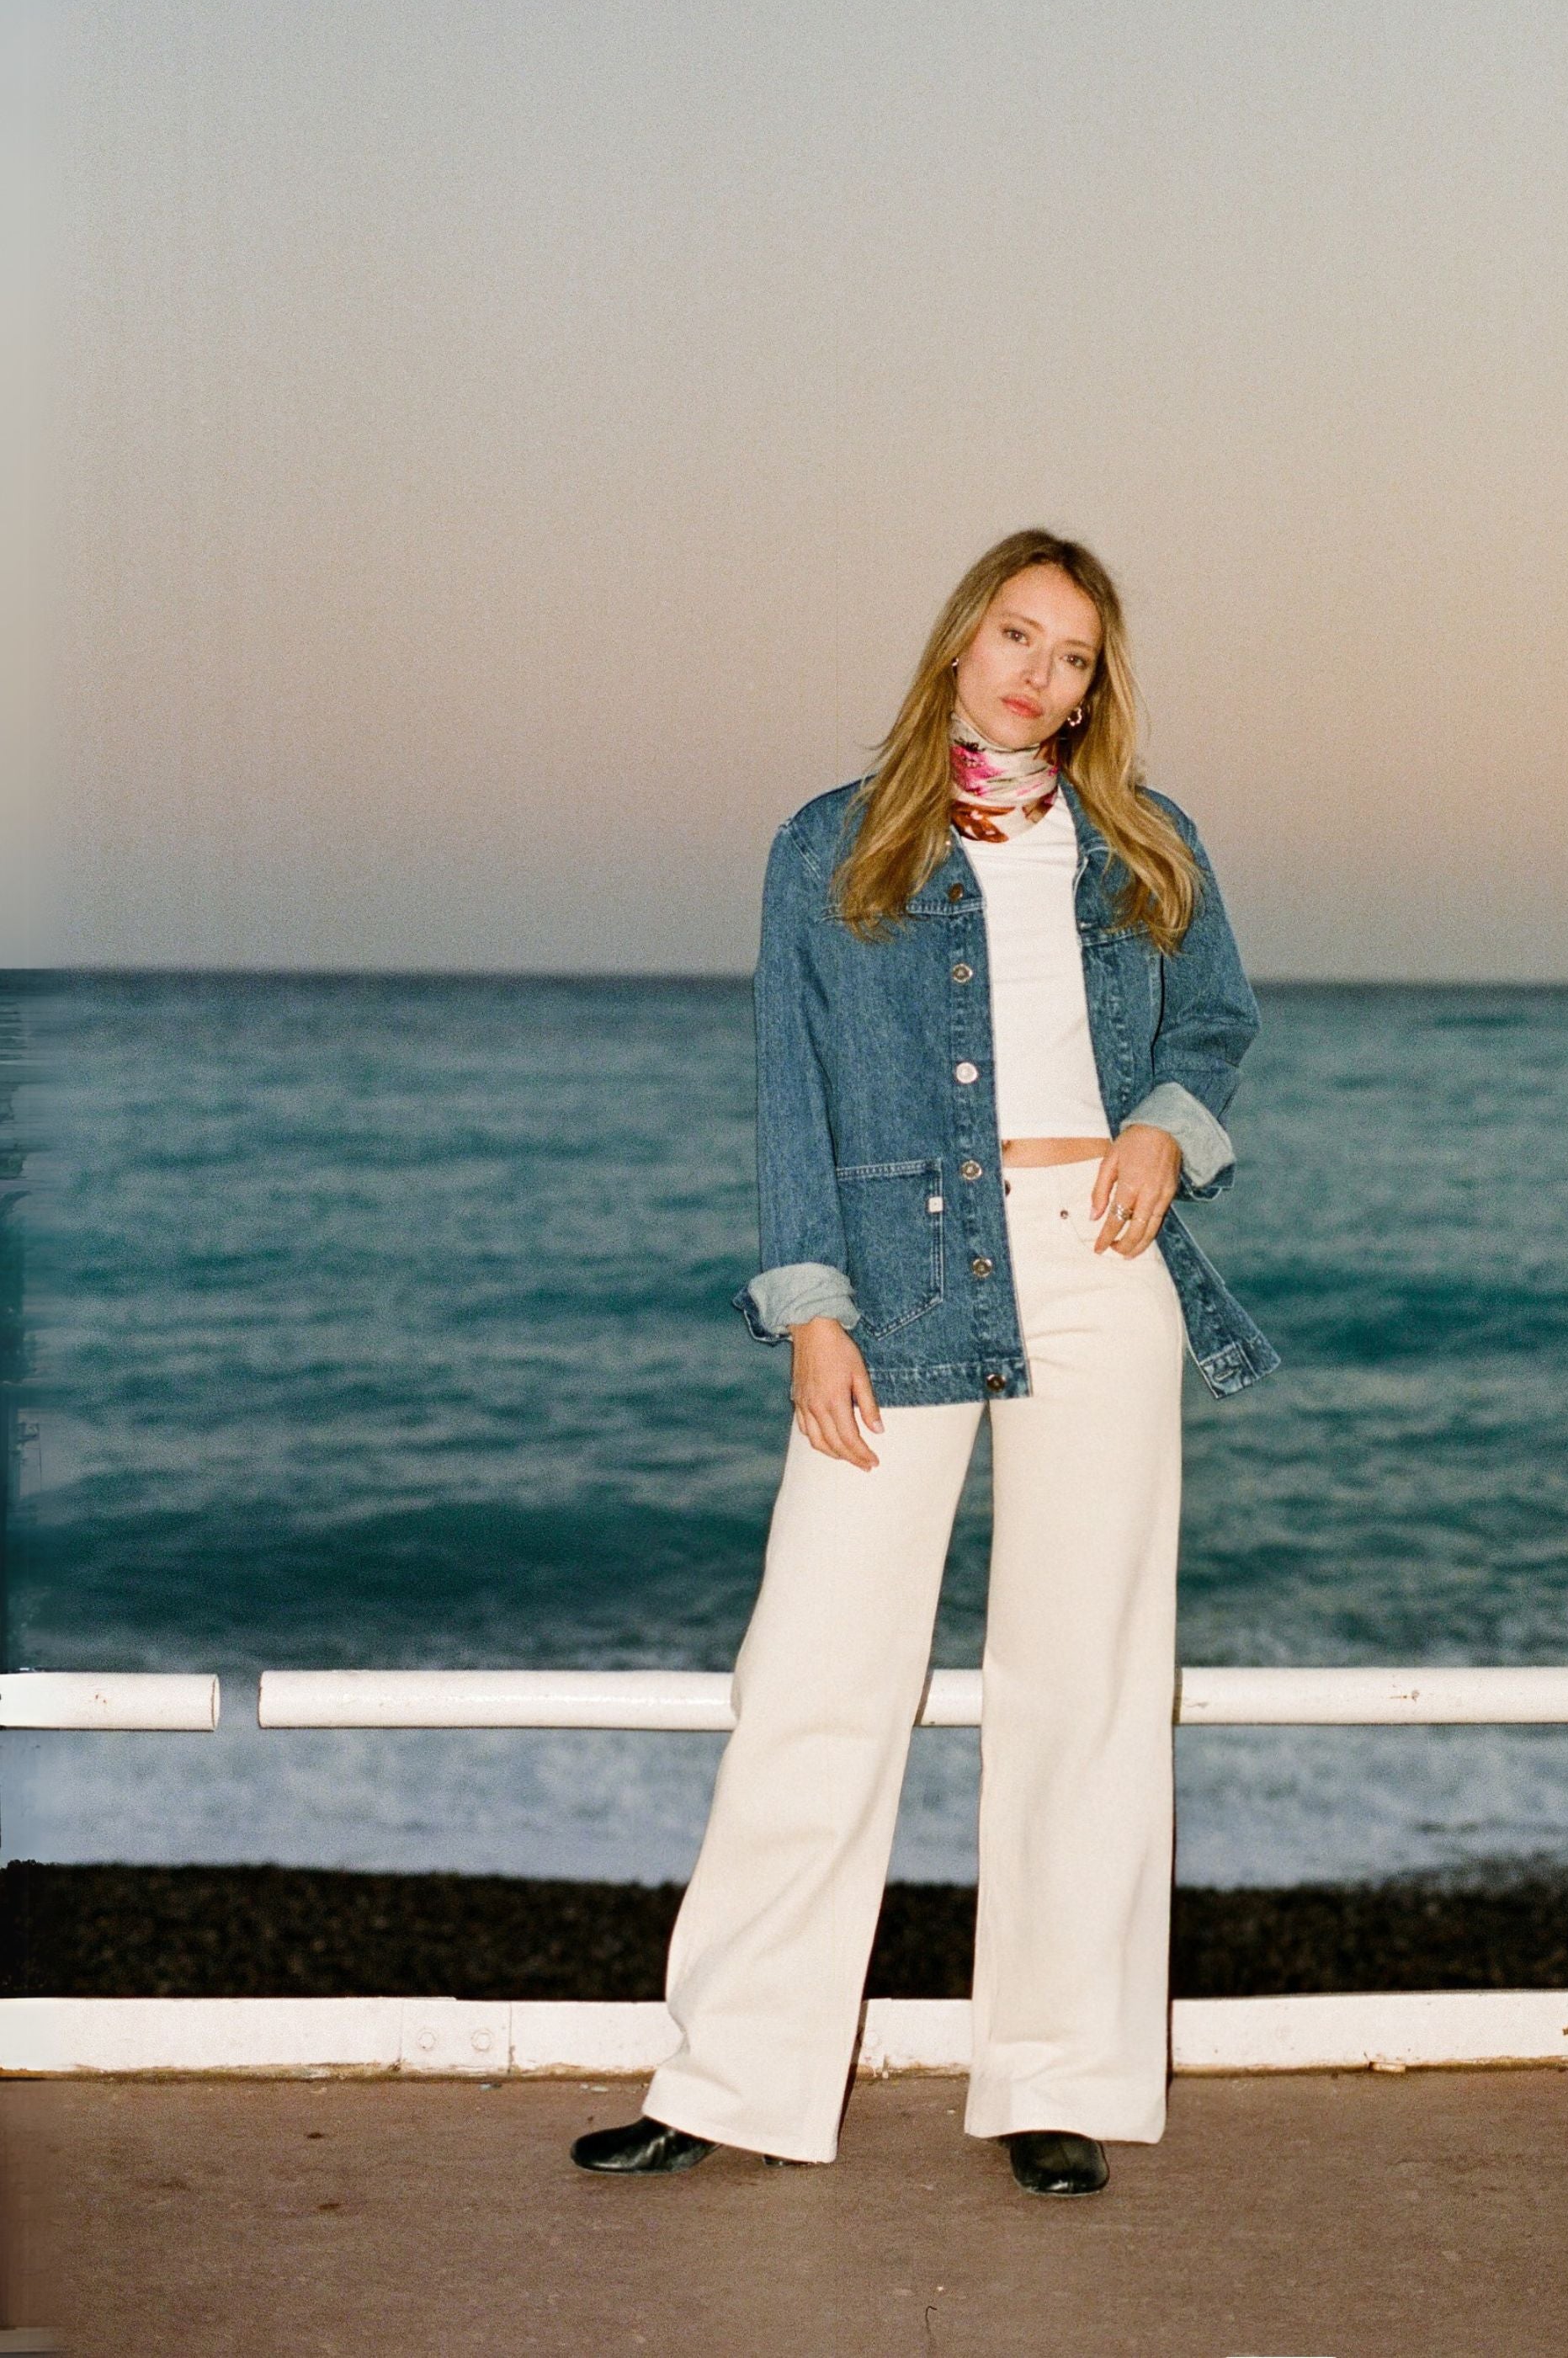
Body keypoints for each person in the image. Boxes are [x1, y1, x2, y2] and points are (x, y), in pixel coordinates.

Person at [571, 527, 1279, 2196]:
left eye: (1078, 654)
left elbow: (1216, 1020)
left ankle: (1057, 2074)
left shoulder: (1142, 841)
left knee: (1083, 1681)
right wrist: (812, 1304)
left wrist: (1167, 1138)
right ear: (960, 642)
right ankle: (731, 2070)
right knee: (816, 1668)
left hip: (1101, 1264)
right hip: (895, 1275)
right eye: (1019, 634)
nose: (1044, 672)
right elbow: (789, 1088)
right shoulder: (832, 845)